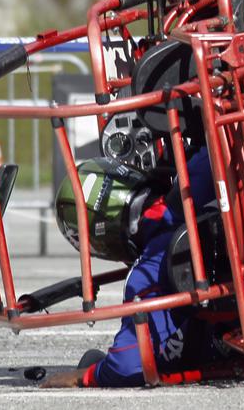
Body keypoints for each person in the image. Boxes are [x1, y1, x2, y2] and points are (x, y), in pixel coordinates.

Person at [41, 148, 229, 387]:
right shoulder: (195, 172)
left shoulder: (145, 274)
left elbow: (127, 366)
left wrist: (87, 376)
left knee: (90, 360)